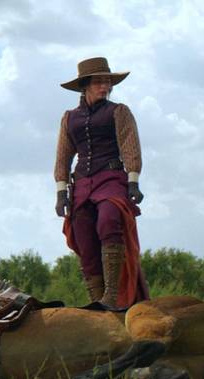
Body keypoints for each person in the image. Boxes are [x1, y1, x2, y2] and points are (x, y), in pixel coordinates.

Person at [54, 57, 149, 308]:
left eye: (107, 82)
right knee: (83, 235)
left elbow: (130, 147)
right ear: (85, 85)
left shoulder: (118, 112)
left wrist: (133, 181)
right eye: (98, 82)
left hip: (111, 178)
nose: (104, 87)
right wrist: (61, 192)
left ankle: (112, 295)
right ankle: (96, 301)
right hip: (82, 183)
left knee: (109, 218)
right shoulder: (69, 118)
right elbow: (63, 155)